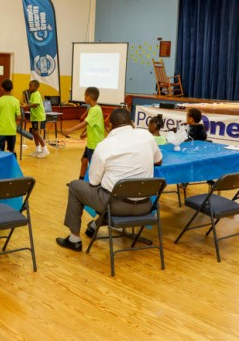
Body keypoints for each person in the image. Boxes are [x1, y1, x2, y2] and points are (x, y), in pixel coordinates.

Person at [56, 108, 163, 252]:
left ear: (110, 125)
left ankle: (74, 240)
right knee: (111, 191)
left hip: (115, 207)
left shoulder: (104, 145)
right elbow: (159, 161)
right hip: (145, 206)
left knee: (77, 186)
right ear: (131, 122)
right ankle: (95, 225)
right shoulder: (147, 136)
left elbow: (93, 181)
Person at [61, 87, 105, 179]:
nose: (84, 98)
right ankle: (80, 181)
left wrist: (69, 130)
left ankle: (92, 182)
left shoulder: (96, 109)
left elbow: (85, 122)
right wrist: (86, 134)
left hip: (95, 143)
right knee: (84, 160)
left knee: (93, 165)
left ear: (89, 97)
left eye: (85, 96)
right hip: (91, 142)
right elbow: (94, 125)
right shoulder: (93, 108)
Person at [21, 80, 49, 158]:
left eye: (30, 86)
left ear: (36, 87)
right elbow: (31, 104)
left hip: (39, 117)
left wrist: (26, 106)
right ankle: (38, 149)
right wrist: (24, 104)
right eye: (29, 85)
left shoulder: (36, 94)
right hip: (34, 117)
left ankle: (45, 149)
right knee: (34, 132)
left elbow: (36, 104)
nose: (29, 87)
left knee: (36, 133)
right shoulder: (32, 94)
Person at [0, 79, 21, 153]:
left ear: (2, 88)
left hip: (1, 130)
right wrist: (13, 123)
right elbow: (19, 117)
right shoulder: (16, 101)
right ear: (12, 88)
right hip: (12, 130)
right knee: (12, 150)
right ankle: (12, 160)